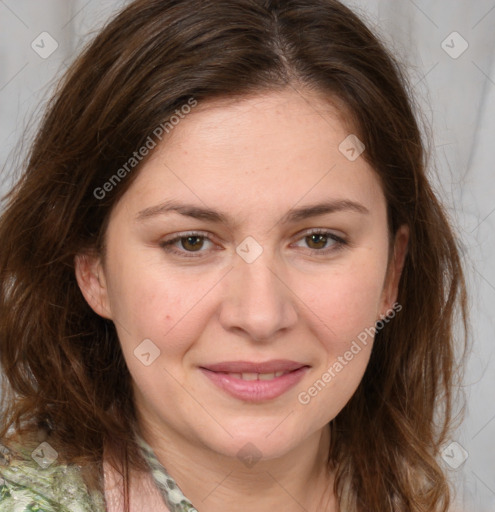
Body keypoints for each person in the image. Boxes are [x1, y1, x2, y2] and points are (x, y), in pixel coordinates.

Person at [0, 0, 468, 510]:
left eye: (318, 239)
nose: (261, 315)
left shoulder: (411, 495)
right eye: (191, 242)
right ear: (94, 272)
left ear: (391, 274)